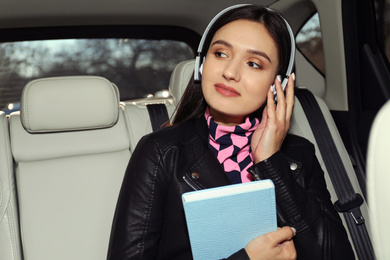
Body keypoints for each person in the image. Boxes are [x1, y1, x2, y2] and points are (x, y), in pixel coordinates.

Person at [107, 4, 355, 260]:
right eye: (221, 54)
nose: (230, 72)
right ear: (202, 64)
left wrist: (271, 162)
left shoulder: (300, 153)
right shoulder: (160, 152)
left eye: (254, 63)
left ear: (277, 84)